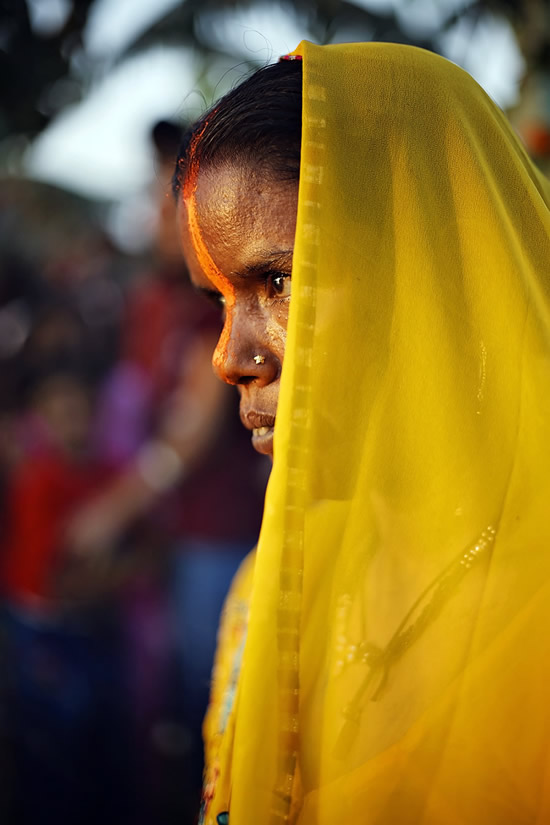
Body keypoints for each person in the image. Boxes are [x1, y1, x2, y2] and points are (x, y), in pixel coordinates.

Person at [172, 41, 550, 825]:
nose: (229, 358)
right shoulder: (263, 591)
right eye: (217, 298)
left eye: (278, 282)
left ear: (434, 267)